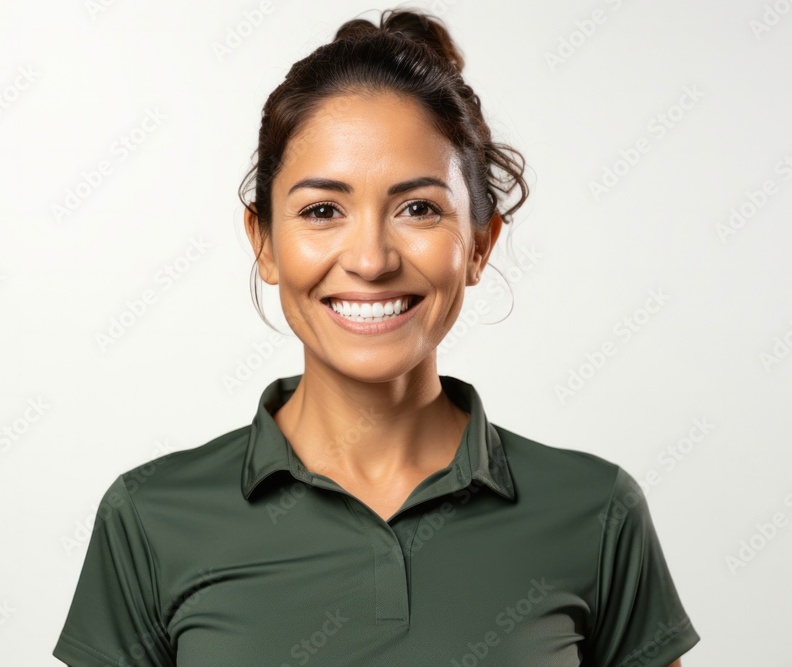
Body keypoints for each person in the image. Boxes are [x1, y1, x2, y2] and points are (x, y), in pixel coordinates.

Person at [53, 8, 700, 666]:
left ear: (480, 244)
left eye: (418, 208)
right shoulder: (150, 518)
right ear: (265, 242)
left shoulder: (597, 512)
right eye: (322, 210)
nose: (370, 258)